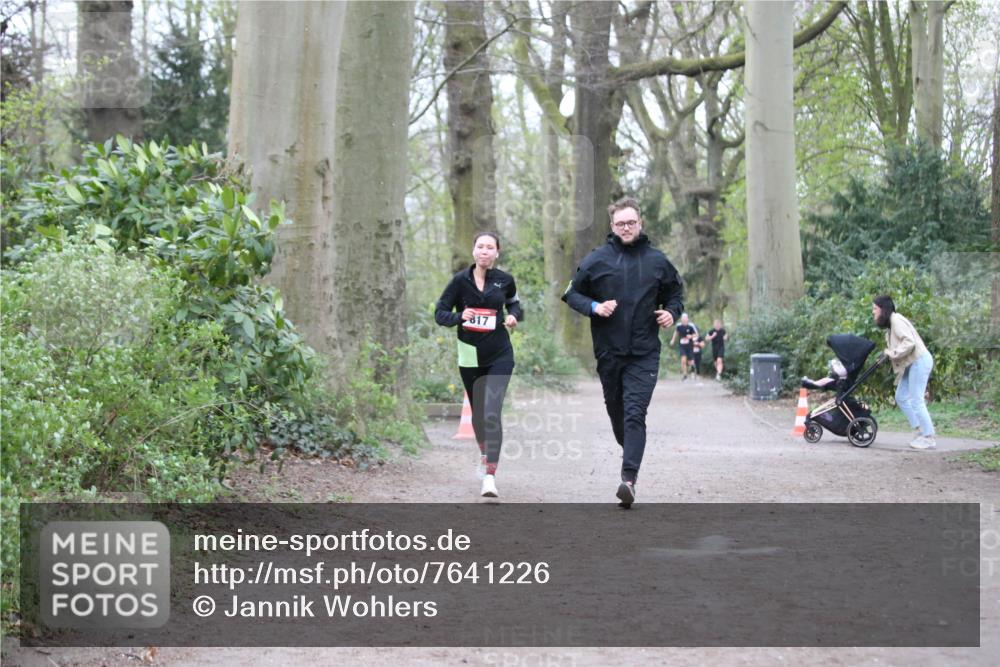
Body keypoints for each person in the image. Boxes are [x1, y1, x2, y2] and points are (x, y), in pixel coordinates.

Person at [562, 197, 684, 508]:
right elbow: (571, 293)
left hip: (644, 353)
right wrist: (594, 306)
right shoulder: (597, 260)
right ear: (612, 227)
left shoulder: (658, 262)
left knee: (634, 413)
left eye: (631, 222)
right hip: (609, 353)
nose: (626, 227)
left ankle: (628, 479)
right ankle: (631, 448)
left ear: (640, 223)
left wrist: (671, 312)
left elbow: (675, 294)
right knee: (619, 416)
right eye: (620, 224)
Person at [436, 232, 523, 497]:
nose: (484, 251)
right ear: (474, 251)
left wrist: (513, 318)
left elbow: (515, 306)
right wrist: (461, 316)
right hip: (469, 355)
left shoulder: (505, 280)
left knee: (492, 411)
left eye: (490, 247)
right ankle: (485, 451)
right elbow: (440, 313)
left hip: (500, 354)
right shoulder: (459, 282)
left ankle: (489, 475)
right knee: (478, 414)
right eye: (480, 246)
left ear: (497, 253)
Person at [872, 295, 936, 450]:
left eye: (875, 309)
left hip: (919, 360)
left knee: (916, 399)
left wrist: (892, 353)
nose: (873, 313)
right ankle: (920, 430)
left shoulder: (896, 320)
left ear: (883, 309)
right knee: (901, 397)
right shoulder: (891, 325)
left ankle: (928, 436)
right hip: (912, 363)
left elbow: (909, 342)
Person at [668, 313, 697, 380]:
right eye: (682, 319)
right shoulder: (679, 326)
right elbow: (676, 333)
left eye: (685, 319)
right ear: (681, 319)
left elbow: (696, 335)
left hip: (689, 346)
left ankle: (692, 370)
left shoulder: (691, 326)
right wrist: (672, 340)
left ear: (687, 319)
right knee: (683, 360)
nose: (683, 320)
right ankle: (685, 375)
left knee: (690, 362)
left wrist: (691, 336)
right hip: (682, 346)